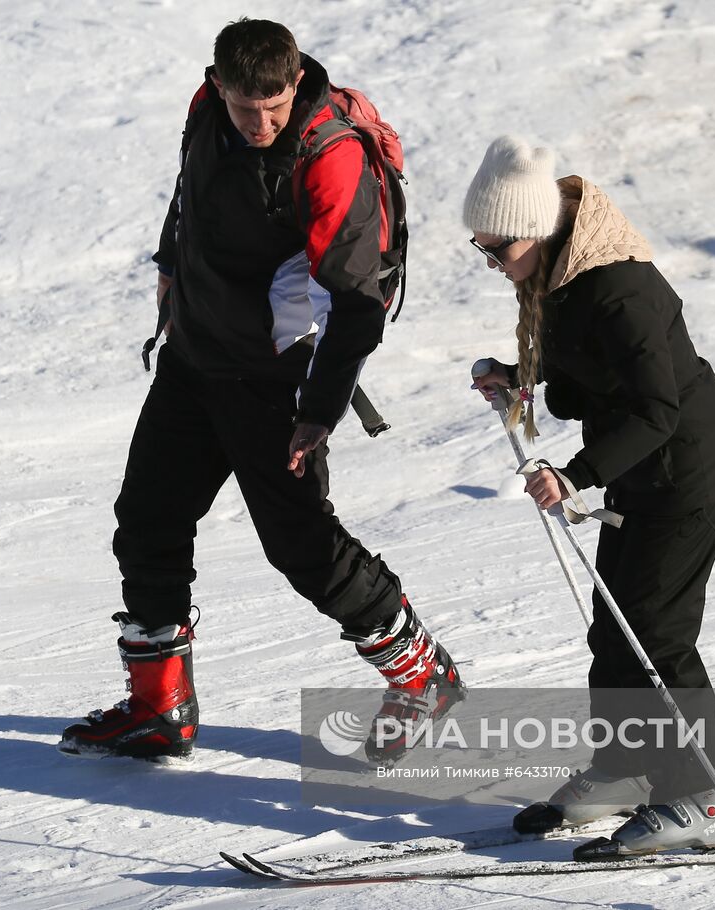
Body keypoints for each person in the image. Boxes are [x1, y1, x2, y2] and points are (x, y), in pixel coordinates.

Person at [59, 18, 463, 763]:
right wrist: (169, 268)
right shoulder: (205, 110)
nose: (262, 123)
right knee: (148, 517)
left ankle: (421, 674)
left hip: (277, 375)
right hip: (196, 356)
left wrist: (318, 410)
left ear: (293, 84)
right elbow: (191, 200)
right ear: (219, 85)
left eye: (274, 108)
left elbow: (359, 304)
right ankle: (159, 708)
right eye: (249, 108)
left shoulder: (328, 153)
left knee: (301, 545)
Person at [462, 137, 715, 855]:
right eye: (481, 250)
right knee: (614, 628)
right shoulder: (560, 278)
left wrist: (574, 474)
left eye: (495, 249)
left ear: (533, 231)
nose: (493, 265)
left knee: (657, 634)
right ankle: (626, 768)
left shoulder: (616, 286)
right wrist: (516, 378)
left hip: (686, 471)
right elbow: (589, 382)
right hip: (642, 474)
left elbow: (657, 410)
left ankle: (704, 800)